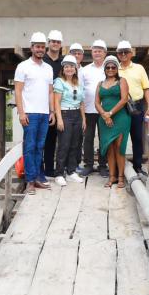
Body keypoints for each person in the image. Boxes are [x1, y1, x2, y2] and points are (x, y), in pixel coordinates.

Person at [14, 32, 55, 195]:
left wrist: (51, 111)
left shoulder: (48, 68)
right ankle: (30, 181)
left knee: (40, 147)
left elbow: (50, 92)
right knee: (30, 147)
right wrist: (21, 113)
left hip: (44, 114)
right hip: (30, 113)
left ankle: (37, 177)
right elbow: (18, 91)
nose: (40, 49)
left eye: (42, 47)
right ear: (31, 48)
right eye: (37, 46)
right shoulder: (23, 66)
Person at [117, 40, 149, 176]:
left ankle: (138, 166)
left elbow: (147, 88)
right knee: (119, 138)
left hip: (136, 106)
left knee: (137, 137)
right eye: (121, 52)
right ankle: (117, 167)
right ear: (118, 55)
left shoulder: (139, 68)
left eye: (126, 51)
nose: (123, 54)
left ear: (131, 53)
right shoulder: (114, 69)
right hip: (120, 107)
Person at [95, 55, 131, 188]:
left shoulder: (122, 81)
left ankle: (121, 177)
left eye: (113, 67)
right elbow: (96, 102)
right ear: (104, 69)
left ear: (117, 68)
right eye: (108, 67)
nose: (110, 69)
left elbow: (124, 100)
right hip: (104, 120)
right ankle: (112, 177)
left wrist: (110, 113)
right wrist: (104, 115)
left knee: (119, 147)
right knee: (109, 148)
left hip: (120, 118)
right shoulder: (100, 84)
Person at [53, 55, 86, 186]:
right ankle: (59, 173)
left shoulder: (78, 83)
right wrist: (59, 119)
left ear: (75, 69)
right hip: (65, 113)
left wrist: (83, 119)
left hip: (77, 114)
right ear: (63, 68)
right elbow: (56, 102)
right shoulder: (59, 82)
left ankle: (71, 171)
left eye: (72, 66)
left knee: (75, 145)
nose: (69, 69)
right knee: (64, 145)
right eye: (66, 66)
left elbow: (82, 103)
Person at [79, 39, 109, 177]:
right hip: (89, 110)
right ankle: (88, 165)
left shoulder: (110, 68)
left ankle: (103, 165)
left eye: (100, 51)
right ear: (91, 52)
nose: (97, 53)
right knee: (88, 139)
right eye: (95, 51)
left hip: (105, 110)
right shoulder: (84, 70)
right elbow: (79, 91)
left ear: (105, 53)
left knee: (104, 138)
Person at [42, 30, 64, 178]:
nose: (55, 44)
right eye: (53, 41)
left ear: (61, 44)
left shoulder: (64, 62)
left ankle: (59, 169)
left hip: (62, 106)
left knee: (60, 139)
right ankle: (46, 169)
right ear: (48, 43)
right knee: (45, 139)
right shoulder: (42, 60)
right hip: (44, 104)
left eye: (58, 42)